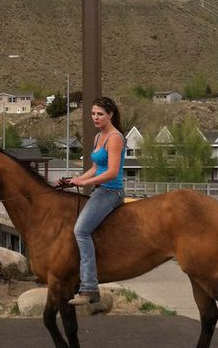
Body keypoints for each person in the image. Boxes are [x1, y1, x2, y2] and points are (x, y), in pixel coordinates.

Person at [59, 96, 126, 305]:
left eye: (100, 114)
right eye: (93, 114)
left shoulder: (115, 138)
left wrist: (83, 183)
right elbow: (96, 168)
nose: (95, 118)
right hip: (99, 189)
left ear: (110, 115)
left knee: (81, 230)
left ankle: (89, 287)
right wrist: (75, 180)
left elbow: (112, 173)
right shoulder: (99, 138)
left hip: (110, 192)